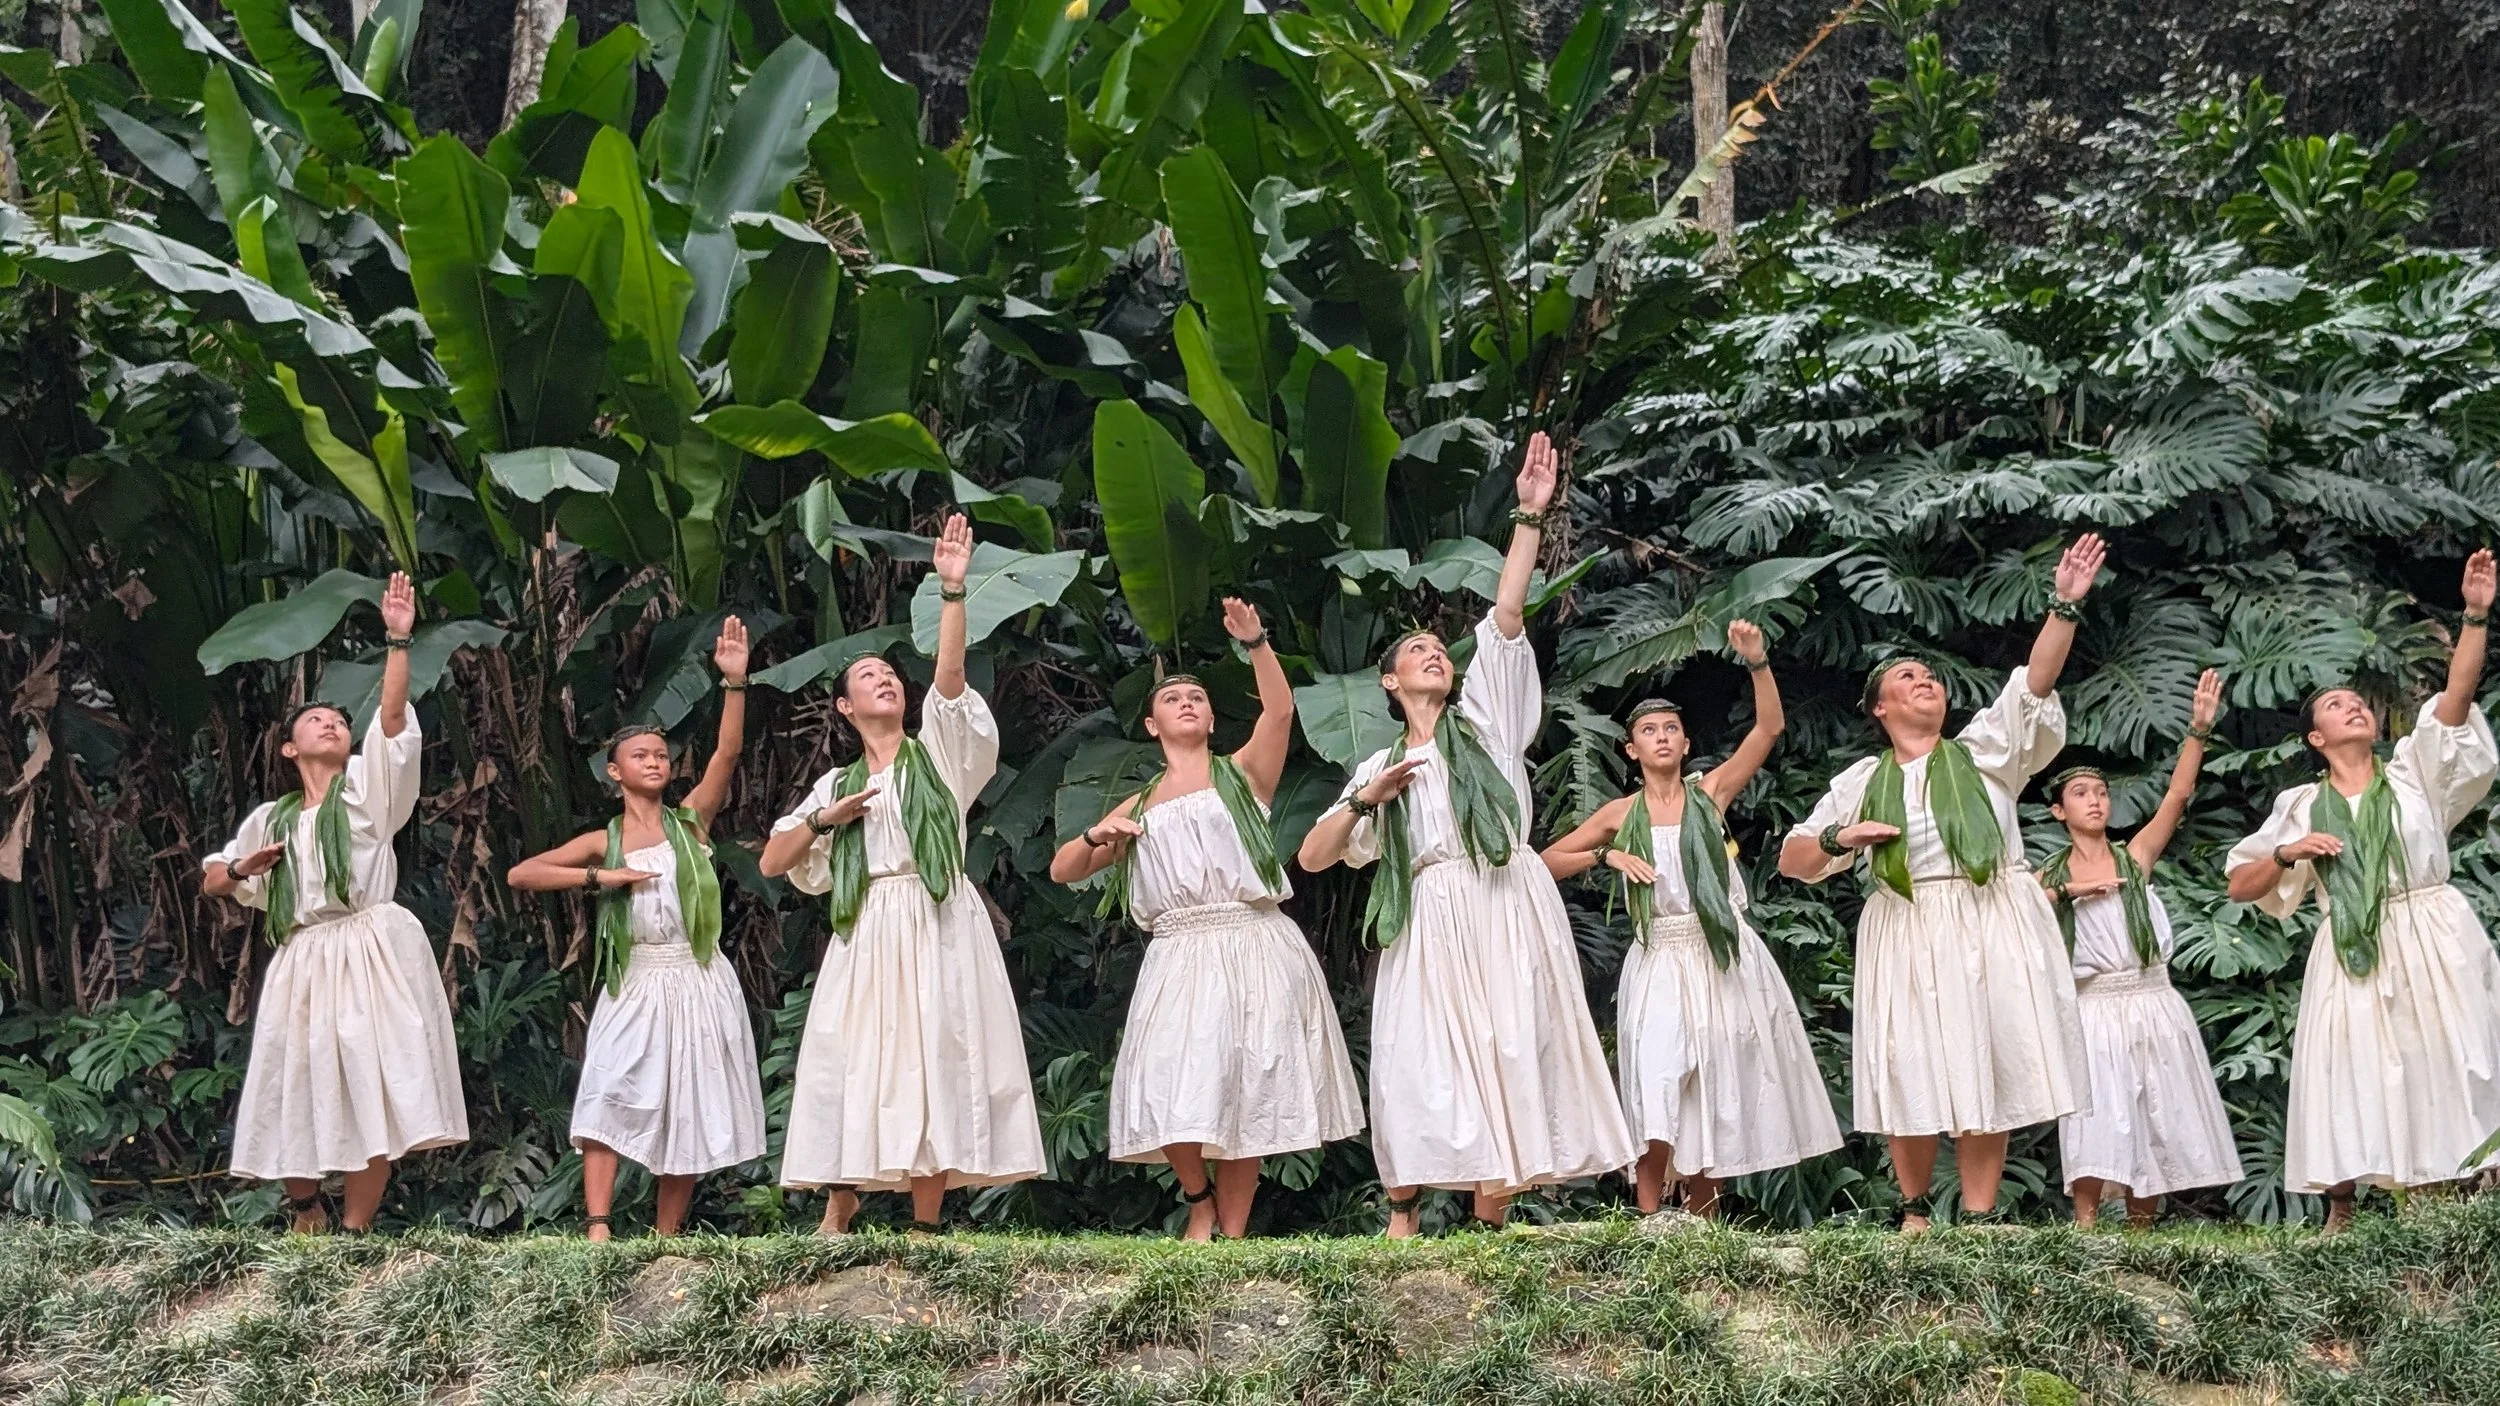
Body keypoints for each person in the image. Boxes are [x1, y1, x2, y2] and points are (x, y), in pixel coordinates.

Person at [1297, 430, 1635, 1237]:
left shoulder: (1488, 725)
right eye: (1415, 651)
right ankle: (1406, 1212)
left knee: (1513, 1040)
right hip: (1433, 909)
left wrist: (1527, 516)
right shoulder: (1381, 762)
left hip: (1507, 894)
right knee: (1426, 1053)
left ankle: (1494, 1212)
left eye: (1437, 650)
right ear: (1389, 682)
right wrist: (1364, 801)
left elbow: (1507, 614)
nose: (1432, 656)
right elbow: (1312, 857)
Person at [1778, 535, 2106, 1229]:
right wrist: (1844, 836)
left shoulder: (1986, 753)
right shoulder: (1864, 781)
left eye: (1929, 675)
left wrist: (2064, 605)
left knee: (1989, 1052)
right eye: (1907, 679)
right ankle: (1916, 1211)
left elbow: (2035, 685)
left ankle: (1981, 1216)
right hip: (1908, 920)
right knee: (1911, 1059)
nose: (1924, 681)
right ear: (1880, 709)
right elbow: (1795, 859)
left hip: (1990, 912)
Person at [760, 515, 1045, 1233]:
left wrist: (954, 593)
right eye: (868, 678)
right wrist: (827, 821)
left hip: (939, 916)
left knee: (937, 1052)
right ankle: (841, 1200)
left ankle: (925, 1223)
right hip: (869, 925)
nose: (884, 681)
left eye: (889, 674)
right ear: (845, 707)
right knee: (852, 1056)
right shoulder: (835, 783)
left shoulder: (939, 759)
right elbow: (773, 861)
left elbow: (949, 683)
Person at [1049, 599, 1364, 1239]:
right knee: (1168, 1075)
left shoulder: (1243, 775)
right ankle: (1198, 1199)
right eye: (1174, 699)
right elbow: (1062, 871)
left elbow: (1280, 711)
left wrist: (1256, 641)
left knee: (1246, 1087)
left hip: (1252, 937)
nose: (1188, 702)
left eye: (1197, 696)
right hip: (1178, 948)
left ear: (1214, 716)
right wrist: (1093, 835)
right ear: (1151, 723)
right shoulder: (1136, 802)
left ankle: (1231, 1233)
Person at [2225, 550, 2500, 1230]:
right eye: (2336, 707)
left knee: (2454, 1054)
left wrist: (2474, 616)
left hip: (2433, 929)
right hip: (2354, 941)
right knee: (2357, 1065)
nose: (2354, 708)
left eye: (2358, 702)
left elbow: (2456, 703)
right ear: (2317, 737)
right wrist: (2289, 852)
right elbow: (2240, 885)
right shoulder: (2299, 804)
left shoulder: (2413, 775)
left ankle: (2464, 1192)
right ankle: (2342, 1208)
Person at [1541, 620, 1842, 1217]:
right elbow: (1548, 861)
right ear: (1631, 749)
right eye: (1648, 730)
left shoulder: (1711, 794)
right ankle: (1649, 1216)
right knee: (1657, 1076)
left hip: (1719, 951)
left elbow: (1769, 729)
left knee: (1714, 1082)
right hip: (1659, 955)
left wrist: (1757, 661)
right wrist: (1607, 854)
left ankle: (1703, 1220)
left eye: (1670, 730)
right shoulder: (1619, 813)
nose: (1660, 738)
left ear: (1683, 744)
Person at [201, 572, 467, 1232]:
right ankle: (304, 1205)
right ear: (290, 747)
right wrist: (243, 866)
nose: (333, 723)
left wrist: (398, 641)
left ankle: (354, 1230)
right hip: (304, 951)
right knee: (296, 1075)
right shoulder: (274, 817)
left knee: (369, 1079)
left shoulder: (366, 797)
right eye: (317, 719)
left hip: (370, 942)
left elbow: (395, 721)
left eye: (340, 720)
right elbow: (213, 879)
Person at [506, 618, 766, 1240]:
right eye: (638, 756)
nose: (654, 761)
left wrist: (734, 683)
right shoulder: (606, 840)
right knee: (606, 1087)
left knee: (688, 1104)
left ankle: (665, 1236)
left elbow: (727, 754)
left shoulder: (691, 823)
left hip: (698, 971)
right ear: (614, 774)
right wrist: (600, 880)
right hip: (637, 973)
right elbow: (524, 873)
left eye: (660, 755)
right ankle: (598, 1227)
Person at [2039, 669, 2242, 1229]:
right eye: (2080, 794)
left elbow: (2177, 796)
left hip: (2153, 997)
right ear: (2059, 812)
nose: (2095, 801)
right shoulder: (2045, 878)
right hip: (2094, 1005)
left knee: (2154, 1107)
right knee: (2096, 1111)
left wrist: (2198, 730)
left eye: (2101, 792)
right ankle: (2083, 1227)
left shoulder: (2136, 857)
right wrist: (2067, 892)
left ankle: (2140, 1227)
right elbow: (2020, 917)